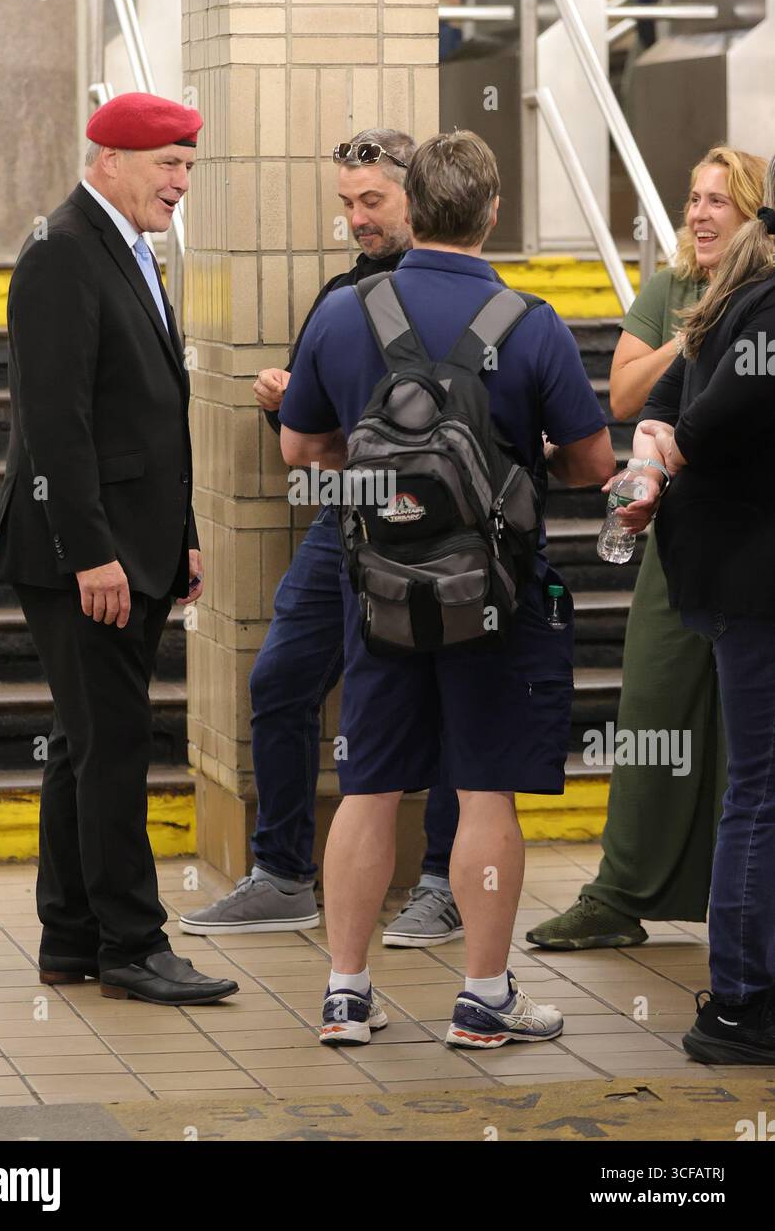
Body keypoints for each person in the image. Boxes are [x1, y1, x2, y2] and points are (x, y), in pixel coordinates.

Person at [279, 131, 614, 1047]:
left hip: (381, 595)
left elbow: (300, 451)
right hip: (495, 599)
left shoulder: (347, 316)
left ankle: (346, 994)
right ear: (493, 212)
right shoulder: (530, 322)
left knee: (370, 788)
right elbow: (592, 462)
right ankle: (484, 997)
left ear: (413, 209)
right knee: (484, 791)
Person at [179, 129, 467, 946]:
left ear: (422, 194)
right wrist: (282, 400)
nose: (356, 219)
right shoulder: (342, 295)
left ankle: (442, 880)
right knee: (279, 681)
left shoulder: (465, 292)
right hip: (344, 519)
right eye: (346, 204)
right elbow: (306, 432)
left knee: (446, 701)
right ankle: (281, 876)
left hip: (441, 533)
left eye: (372, 201)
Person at [0, 92, 238, 1007]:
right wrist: (93, 553)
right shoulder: (62, 253)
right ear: (111, 158)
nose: (180, 183)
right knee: (114, 742)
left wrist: (185, 536)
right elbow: (57, 421)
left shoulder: (127, 248)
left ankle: (72, 937)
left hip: (132, 543)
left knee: (81, 745)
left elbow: (148, 412)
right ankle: (135, 946)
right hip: (80, 552)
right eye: (167, 163)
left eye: (188, 166)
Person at [529, 146, 766, 951]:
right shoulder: (673, 292)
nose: (699, 215)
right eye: (692, 199)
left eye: (719, 202)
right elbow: (628, 396)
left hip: (751, 544)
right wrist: (701, 328)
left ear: (755, 217)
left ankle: (739, 913)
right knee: (654, 706)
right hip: (676, 532)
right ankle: (622, 890)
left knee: (747, 734)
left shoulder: (763, 302)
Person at [617, 157, 775, 1064]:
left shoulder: (732, 295)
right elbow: (700, 421)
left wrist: (655, 454)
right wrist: (666, 447)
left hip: (728, 574)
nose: (700, 213)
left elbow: (665, 414)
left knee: (759, 788)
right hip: (752, 583)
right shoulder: (762, 300)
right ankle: (738, 1007)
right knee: (759, 792)